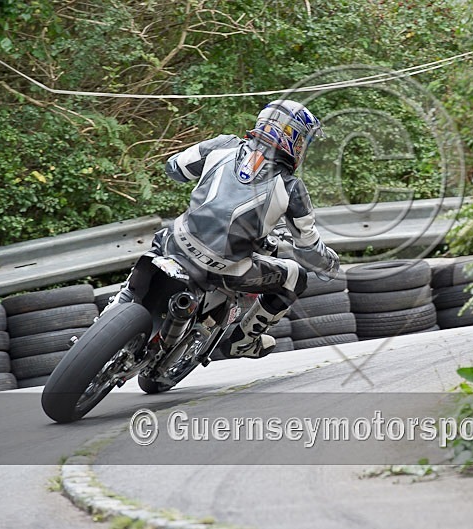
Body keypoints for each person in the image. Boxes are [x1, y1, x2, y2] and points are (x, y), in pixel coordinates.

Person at [107, 99, 339, 359]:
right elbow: (309, 250)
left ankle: (111, 312)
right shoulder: (292, 188)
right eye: (302, 141)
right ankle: (245, 340)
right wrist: (329, 263)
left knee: (150, 260)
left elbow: (174, 168)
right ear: (291, 137)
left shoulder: (222, 146)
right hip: (224, 269)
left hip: (176, 241)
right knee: (296, 277)